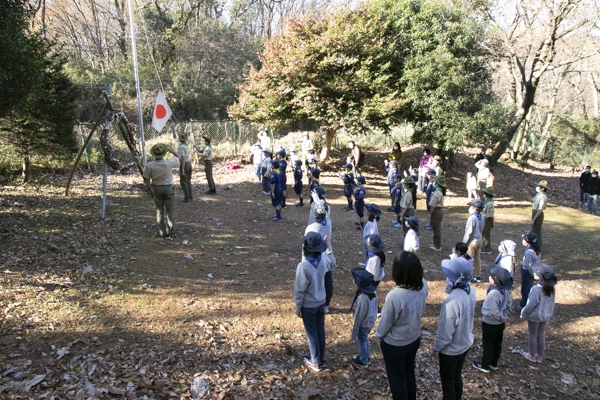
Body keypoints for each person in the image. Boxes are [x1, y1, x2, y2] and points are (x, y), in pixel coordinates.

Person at [376, 252, 428, 400]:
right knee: (409, 374)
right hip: (414, 338)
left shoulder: (395, 296)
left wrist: (379, 338)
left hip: (396, 344)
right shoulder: (423, 285)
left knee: (397, 381)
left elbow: (386, 323)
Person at [433, 257, 476, 400]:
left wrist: (437, 348)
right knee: (457, 375)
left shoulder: (451, 301)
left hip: (451, 350)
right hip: (465, 343)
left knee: (448, 381)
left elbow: (445, 331)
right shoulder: (472, 291)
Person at [294, 232, 336, 373]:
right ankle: (321, 358)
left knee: (311, 333)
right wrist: (329, 246)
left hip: (308, 306)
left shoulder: (303, 266)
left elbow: (299, 290)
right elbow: (333, 263)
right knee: (320, 330)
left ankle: (315, 361)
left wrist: (298, 306)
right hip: (321, 302)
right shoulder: (324, 260)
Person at [472, 266, 513, 373]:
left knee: (488, 344)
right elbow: (509, 304)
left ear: (494, 281)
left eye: (491, 276)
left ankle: (485, 365)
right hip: (499, 323)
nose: (489, 277)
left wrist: (503, 317)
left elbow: (494, 311)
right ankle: (493, 363)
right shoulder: (504, 291)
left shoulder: (493, 294)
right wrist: (505, 315)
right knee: (497, 343)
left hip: (490, 323)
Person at [143, 144, 183, 239]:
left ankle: (162, 231)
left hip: (157, 188)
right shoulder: (168, 163)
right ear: (163, 154)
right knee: (170, 210)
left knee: (159, 210)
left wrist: (147, 189)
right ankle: (172, 231)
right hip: (168, 188)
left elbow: (147, 179)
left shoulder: (149, 165)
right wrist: (170, 150)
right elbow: (180, 157)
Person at [520, 263, 557, 363]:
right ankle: (540, 356)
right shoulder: (551, 288)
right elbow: (552, 303)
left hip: (535, 316)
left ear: (540, 276)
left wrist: (524, 313)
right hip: (545, 316)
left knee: (532, 334)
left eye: (536, 272)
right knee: (541, 334)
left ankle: (531, 354)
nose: (534, 273)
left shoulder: (536, 289)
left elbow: (531, 304)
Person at [305, 200, 334, 313]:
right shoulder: (328, 221)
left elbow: (306, 245)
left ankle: (315, 301)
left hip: (315, 256)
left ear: (313, 215)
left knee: (315, 280)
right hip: (326, 254)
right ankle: (326, 304)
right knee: (328, 280)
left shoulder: (311, 228)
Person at [349, 268, 378, 369]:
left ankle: (363, 360)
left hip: (364, 323)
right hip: (371, 320)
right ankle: (367, 355)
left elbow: (359, 316)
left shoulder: (363, 297)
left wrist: (354, 332)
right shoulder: (373, 292)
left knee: (361, 339)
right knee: (365, 338)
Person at [517, 232, 541, 312]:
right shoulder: (536, 250)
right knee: (528, 287)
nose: (522, 241)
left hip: (527, 272)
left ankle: (524, 306)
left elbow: (528, 265)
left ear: (528, 241)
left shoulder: (528, 253)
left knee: (525, 289)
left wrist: (532, 274)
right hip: (533, 271)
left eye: (524, 239)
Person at [463, 199, 485, 283]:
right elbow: (482, 227)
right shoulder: (482, 216)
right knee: (477, 258)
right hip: (479, 240)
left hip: (472, 241)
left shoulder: (472, 218)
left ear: (474, 208)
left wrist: (464, 242)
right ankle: (478, 275)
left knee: (469, 259)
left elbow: (468, 232)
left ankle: (469, 276)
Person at [173, 129, 192, 202]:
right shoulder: (185, 144)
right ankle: (190, 196)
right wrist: (173, 128)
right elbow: (175, 138)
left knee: (183, 181)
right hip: (188, 163)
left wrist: (182, 169)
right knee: (188, 181)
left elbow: (182, 158)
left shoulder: (181, 147)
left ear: (180, 138)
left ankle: (187, 197)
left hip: (184, 163)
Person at [428, 176, 446, 252]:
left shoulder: (437, 193)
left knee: (436, 229)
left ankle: (437, 246)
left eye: (435, 181)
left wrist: (430, 214)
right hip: (438, 211)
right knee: (436, 229)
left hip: (436, 211)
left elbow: (432, 205)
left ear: (437, 184)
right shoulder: (439, 192)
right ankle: (436, 244)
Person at [530, 180, 548, 249]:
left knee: (537, 232)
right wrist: (526, 194)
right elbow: (532, 201)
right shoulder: (538, 195)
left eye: (539, 186)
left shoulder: (543, 197)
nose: (537, 187)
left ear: (543, 188)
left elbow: (540, 210)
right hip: (534, 212)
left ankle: (538, 247)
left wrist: (534, 220)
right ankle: (534, 245)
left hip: (538, 214)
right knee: (534, 230)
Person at [481, 188, 495, 255]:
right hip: (484, 219)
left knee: (486, 234)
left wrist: (492, 223)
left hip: (487, 220)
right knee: (483, 233)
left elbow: (491, 215)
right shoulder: (487, 201)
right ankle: (484, 246)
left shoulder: (489, 203)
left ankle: (487, 248)